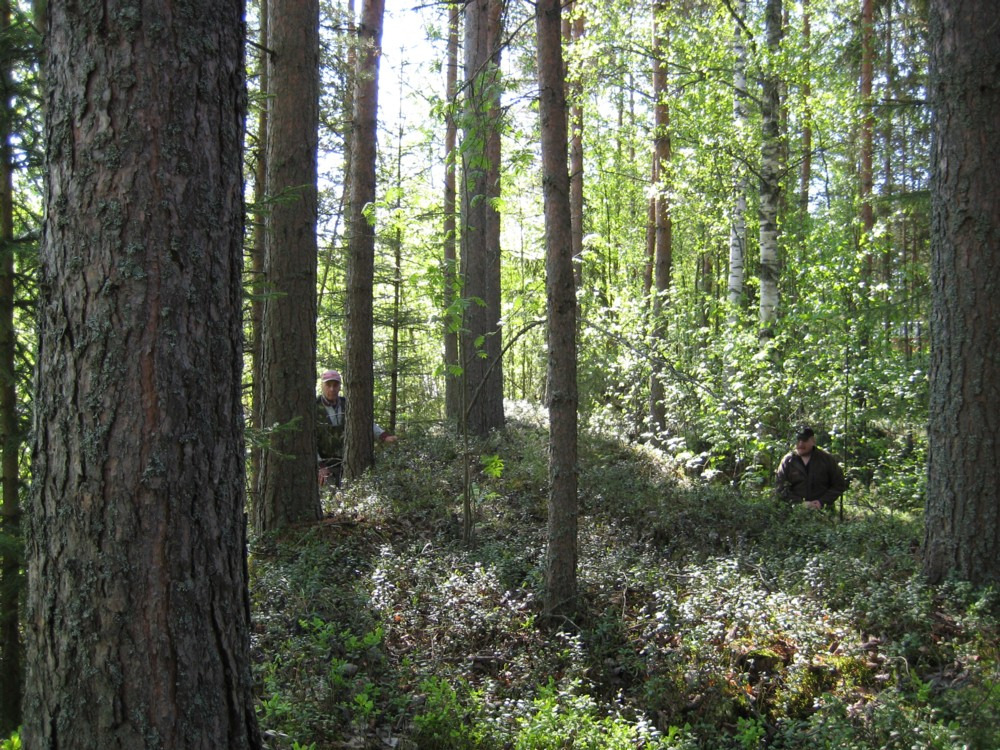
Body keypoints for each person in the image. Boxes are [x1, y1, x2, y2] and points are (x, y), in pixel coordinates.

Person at [316, 369, 397, 489]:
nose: (332, 389)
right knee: (330, 495)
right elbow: (308, 442)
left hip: (349, 462)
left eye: (335, 385)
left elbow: (365, 423)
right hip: (324, 466)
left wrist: (384, 436)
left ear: (340, 386)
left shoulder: (348, 404)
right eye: (328, 385)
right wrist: (320, 466)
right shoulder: (313, 408)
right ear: (322, 385)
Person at [775, 426, 846, 510]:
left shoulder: (826, 459)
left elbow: (839, 484)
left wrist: (821, 502)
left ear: (813, 441)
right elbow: (780, 488)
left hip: (823, 513)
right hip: (794, 513)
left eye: (804, 440)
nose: (800, 444)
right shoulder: (788, 461)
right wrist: (800, 504)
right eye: (798, 440)